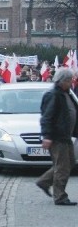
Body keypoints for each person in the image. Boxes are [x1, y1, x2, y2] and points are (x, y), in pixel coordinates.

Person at [35, 68, 78, 206]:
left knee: (69, 162)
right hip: (57, 137)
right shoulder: (53, 95)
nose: (71, 82)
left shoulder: (65, 93)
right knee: (62, 167)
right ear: (63, 81)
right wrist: (47, 136)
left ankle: (44, 181)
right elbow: (47, 117)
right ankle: (60, 196)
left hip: (66, 136)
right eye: (69, 80)